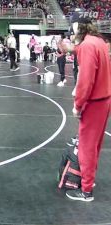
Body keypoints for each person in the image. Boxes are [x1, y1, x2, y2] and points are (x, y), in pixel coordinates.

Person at [64, 11, 111, 202]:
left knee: (85, 147)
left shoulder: (87, 45)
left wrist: (78, 105)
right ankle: (89, 181)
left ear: (77, 27)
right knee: (95, 146)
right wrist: (73, 48)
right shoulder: (98, 41)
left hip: (93, 103)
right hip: (105, 100)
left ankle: (86, 191)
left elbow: (85, 81)